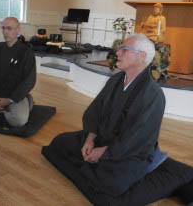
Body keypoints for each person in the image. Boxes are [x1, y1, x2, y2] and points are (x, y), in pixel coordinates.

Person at [44, 34, 165, 197]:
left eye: (124, 49)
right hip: (100, 138)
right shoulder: (116, 80)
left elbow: (136, 138)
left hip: (128, 152)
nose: (118, 53)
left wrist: (104, 152)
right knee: (59, 142)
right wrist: (90, 138)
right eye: (119, 48)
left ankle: (92, 164)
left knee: (112, 184)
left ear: (141, 56)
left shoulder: (153, 94)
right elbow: (95, 110)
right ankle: (91, 165)